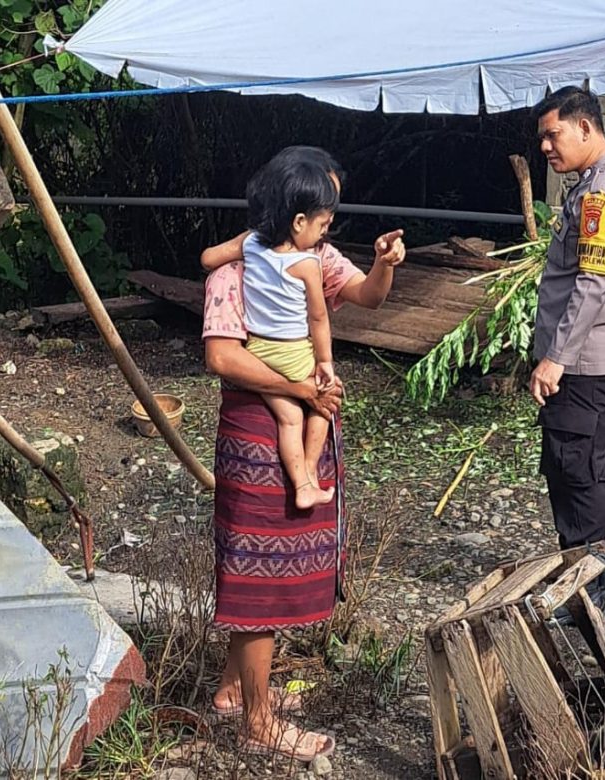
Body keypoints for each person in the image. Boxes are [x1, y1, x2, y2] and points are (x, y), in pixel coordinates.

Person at [203, 147, 405, 762]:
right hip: (254, 433)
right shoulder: (236, 266)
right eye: (322, 212)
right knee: (255, 577)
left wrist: (384, 264)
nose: (328, 225)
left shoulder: (316, 255)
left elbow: (367, 297)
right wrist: (301, 387)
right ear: (291, 209)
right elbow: (221, 356)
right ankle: (260, 722)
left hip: (302, 412)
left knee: (274, 570)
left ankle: (236, 690)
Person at [529, 86, 605, 606]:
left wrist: (555, 357)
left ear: (585, 128)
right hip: (604, 355)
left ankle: (586, 591)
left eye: (552, 134)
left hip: (584, 361)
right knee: (597, 460)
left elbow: (593, 283)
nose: (545, 147)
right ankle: (599, 574)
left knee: (575, 465)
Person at [201, 149, 339, 510]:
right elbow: (319, 319)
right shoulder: (308, 262)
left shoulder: (251, 245)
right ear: (298, 222)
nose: (326, 233)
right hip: (294, 354)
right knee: (324, 406)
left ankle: (301, 483)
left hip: (259, 351)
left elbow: (208, 258)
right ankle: (307, 473)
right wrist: (323, 364)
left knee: (290, 416)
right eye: (323, 225)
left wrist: (241, 250)